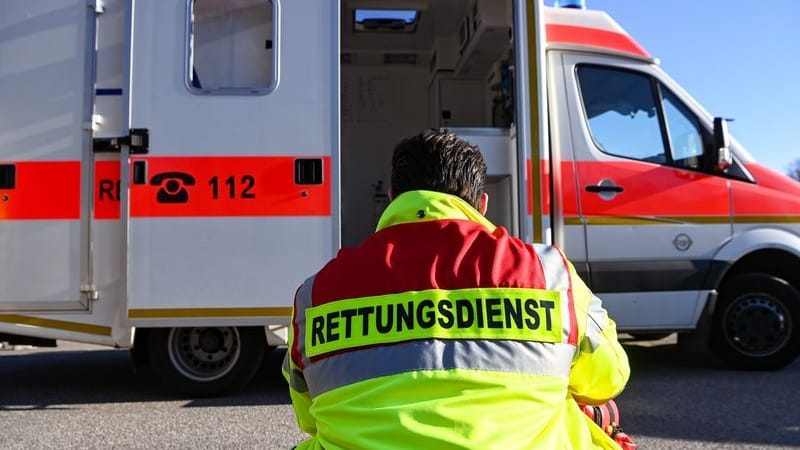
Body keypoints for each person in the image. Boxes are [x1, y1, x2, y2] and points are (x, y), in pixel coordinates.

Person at [283, 129, 631, 449]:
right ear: (481, 204)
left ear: (392, 198)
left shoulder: (316, 293)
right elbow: (609, 379)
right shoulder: (549, 273)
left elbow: (310, 418)